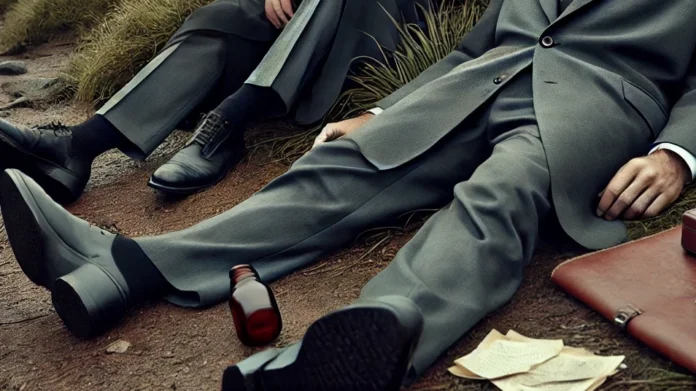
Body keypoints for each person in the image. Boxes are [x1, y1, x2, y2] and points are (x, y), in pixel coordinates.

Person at [2, 0, 696, 389]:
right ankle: (122, 268)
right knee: (342, 166)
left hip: (593, 104)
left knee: (501, 191)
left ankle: (347, 357)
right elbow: (465, 52)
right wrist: (385, 113)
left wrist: (677, 154)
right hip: (471, 85)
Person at [0, 0, 428, 203]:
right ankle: (78, 146)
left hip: (381, 24)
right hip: (308, 16)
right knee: (224, 20)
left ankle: (228, 120)